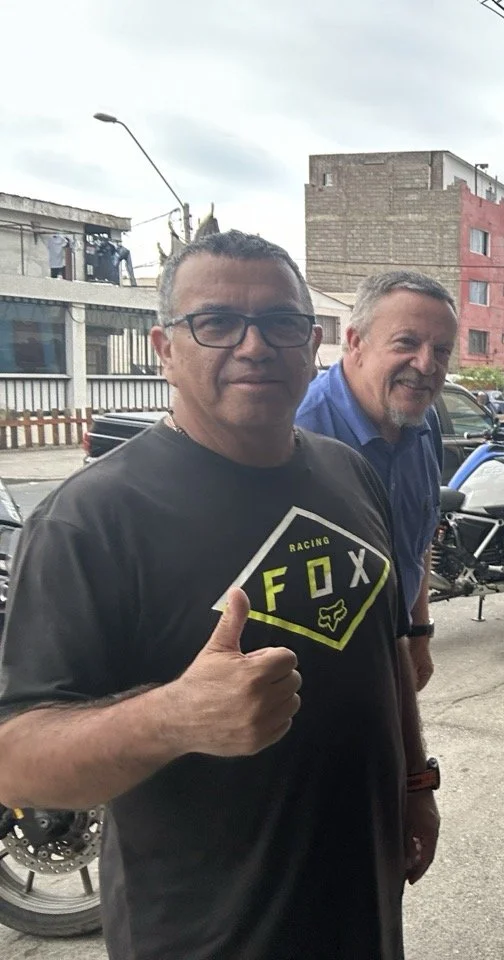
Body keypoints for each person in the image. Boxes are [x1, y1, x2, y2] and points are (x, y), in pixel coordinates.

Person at [0, 230, 440, 960]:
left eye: (281, 323)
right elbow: (15, 758)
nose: (254, 346)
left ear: (313, 345)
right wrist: (173, 717)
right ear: (165, 349)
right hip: (207, 932)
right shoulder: (90, 520)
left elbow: (385, 646)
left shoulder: (350, 473)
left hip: (363, 903)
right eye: (216, 323)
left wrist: (416, 782)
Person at [296, 270, 457, 691]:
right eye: (406, 343)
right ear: (355, 342)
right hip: (312, 676)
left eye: (442, 350)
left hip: (391, 653)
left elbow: (417, 541)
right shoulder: (298, 433)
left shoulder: (423, 422)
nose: (427, 365)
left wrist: (418, 632)